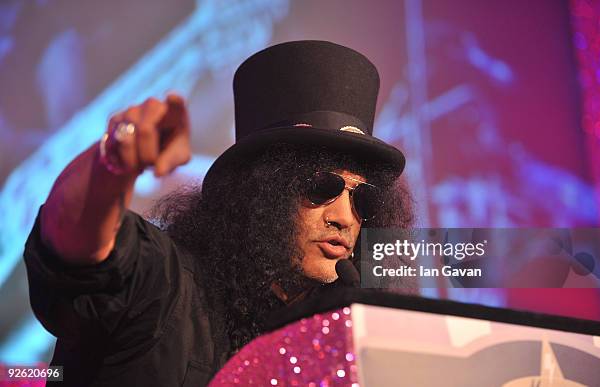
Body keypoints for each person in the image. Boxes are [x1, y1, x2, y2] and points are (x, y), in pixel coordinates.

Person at [23, 41, 413, 386]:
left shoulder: (339, 338)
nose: (345, 218)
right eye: (322, 187)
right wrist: (112, 164)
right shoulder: (163, 283)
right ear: (260, 190)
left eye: (363, 200)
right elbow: (74, 249)